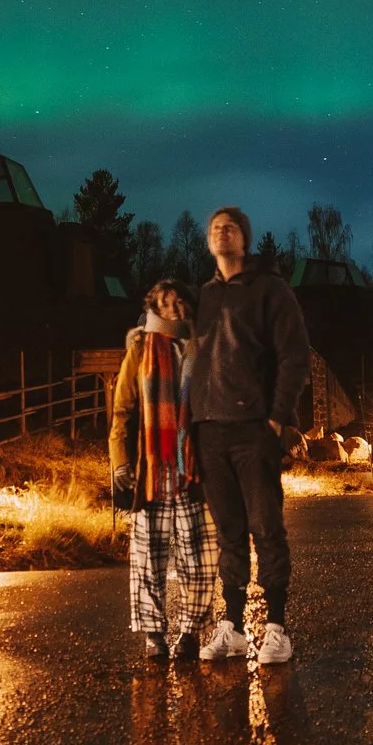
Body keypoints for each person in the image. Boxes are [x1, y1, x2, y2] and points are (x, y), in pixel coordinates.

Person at [189, 206, 311, 665]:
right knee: (229, 533)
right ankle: (233, 628)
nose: (222, 231)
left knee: (266, 527)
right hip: (209, 431)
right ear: (207, 241)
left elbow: (294, 355)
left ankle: (276, 628)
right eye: (215, 226)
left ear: (245, 238)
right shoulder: (202, 296)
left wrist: (277, 419)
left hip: (253, 430)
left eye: (231, 225)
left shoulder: (269, 290)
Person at [108, 278, 220, 658]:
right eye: (165, 304)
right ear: (153, 308)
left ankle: (190, 632)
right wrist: (120, 463)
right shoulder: (139, 349)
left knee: (201, 557)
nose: (174, 309)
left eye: (179, 303)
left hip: (194, 470)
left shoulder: (202, 347)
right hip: (152, 469)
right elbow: (122, 412)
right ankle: (154, 635)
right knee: (147, 559)